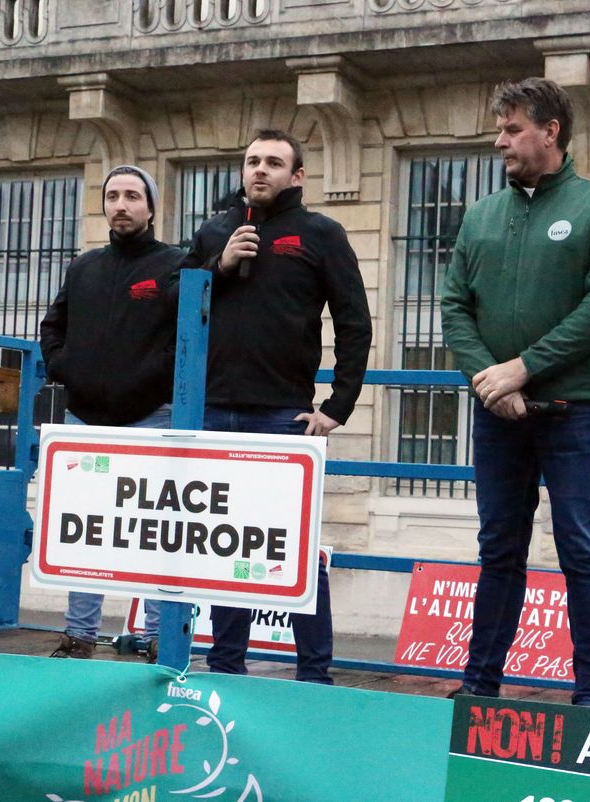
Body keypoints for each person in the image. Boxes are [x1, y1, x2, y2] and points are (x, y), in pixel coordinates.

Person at [440, 78, 590, 708]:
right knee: (498, 549)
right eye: (500, 129)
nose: (500, 141)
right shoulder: (481, 216)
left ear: (550, 132)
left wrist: (523, 367)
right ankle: (479, 688)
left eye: (513, 128)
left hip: (575, 413)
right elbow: (453, 309)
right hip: (499, 415)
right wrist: (488, 380)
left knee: (583, 550)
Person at [178, 129, 372, 680]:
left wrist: (338, 405)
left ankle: (315, 674)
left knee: (295, 546)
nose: (260, 170)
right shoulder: (216, 230)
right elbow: (175, 304)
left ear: (298, 176)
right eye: (252, 161)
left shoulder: (321, 233)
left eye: (273, 162)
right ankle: (225, 667)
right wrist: (217, 266)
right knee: (225, 546)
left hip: (281, 415)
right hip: (214, 413)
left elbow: (355, 323)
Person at [40, 165, 183, 661]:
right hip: (85, 418)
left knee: (155, 529)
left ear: (150, 207)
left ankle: (159, 637)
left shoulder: (174, 264)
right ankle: (78, 636)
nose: (120, 205)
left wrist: (152, 380)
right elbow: (52, 325)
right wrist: (65, 367)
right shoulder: (84, 267)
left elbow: (186, 337)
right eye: (112, 196)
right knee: (85, 530)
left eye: (132, 196)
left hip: (151, 417)